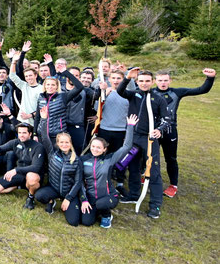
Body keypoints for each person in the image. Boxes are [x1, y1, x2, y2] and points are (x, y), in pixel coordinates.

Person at [116, 69, 171, 219]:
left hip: (149, 139)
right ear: (137, 82)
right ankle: (133, 195)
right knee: (132, 167)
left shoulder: (159, 99)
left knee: (153, 171)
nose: (144, 83)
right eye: (141, 81)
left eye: (147, 81)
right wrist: (127, 78)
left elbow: (167, 119)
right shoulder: (133, 94)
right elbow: (120, 91)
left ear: (152, 82)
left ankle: (155, 205)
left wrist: (159, 130)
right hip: (133, 137)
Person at [154, 68, 215, 198]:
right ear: (155, 81)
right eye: (160, 80)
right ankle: (148, 176)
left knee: (171, 159)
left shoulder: (177, 92)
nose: (163, 83)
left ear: (170, 80)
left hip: (170, 131)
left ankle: (173, 185)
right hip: (154, 131)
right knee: (151, 156)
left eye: (165, 80)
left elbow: (201, 90)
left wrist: (210, 78)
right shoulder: (150, 92)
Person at [80, 115, 138, 228]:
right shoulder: (83, 159)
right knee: (86, 222)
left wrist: (130, 126)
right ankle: (97, 210)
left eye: (98, 148)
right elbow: (80, 181)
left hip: (108, 196)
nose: (95, 149)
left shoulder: (110, 159)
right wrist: (84, 200)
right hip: (91, 197)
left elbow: (127, 146)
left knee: (101, 204)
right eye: (93, 146)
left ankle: (106, 216)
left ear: (104, 149)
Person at [34, 107, 83, 226]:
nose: (64, 144)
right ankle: (51, 201)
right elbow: (44, 136)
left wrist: (68, 198)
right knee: (39, 196)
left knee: (73, 222)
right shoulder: (52, 153)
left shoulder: (76, 159)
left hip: (69, 192)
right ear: (57, 143)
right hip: (54, 188)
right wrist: (44, 119)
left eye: (66, 142)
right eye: (61, 142)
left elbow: (78, 182)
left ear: (70, 143)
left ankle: (69, 203)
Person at [0, 122, 45, 210]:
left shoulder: (38, 147)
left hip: (32, 175)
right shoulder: (15, 142)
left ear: (30, 134)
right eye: (20, 133)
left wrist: (15, 170)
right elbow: (1, 148)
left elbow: (36, 167)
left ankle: (30, 197)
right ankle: (19, 186)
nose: (21, 135)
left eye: (24, 133)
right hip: (19, 173)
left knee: (31, 177)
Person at [8, 50, 42, 126]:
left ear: (35, 75)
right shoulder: (24, 86)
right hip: (22, 120)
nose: (28, 78)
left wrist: (30, 115)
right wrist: (13, 61)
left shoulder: (42, 89)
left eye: (30, 75)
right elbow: (12, 76)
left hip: (36, 122)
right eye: (26, 76)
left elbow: (43, 107)